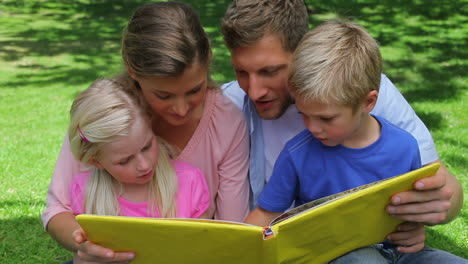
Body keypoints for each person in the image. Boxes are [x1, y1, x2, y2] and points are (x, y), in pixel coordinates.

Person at [221, 0, 463, 253]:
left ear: (301, 53)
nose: (254, 91)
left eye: (270, 71)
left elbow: (446, 189)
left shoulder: (357, 86)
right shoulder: (228, 107)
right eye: (241, 72)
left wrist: (431, 209)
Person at [43, 2, 250, 263]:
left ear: (208, 60)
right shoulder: (107, 111)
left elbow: (232, 229)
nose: (181, 109)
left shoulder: (226, 121)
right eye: (162, 95)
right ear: (133, 72)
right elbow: (57, 208)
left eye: (195, 90)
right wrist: (84, 245)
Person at [67, 78, 210, 262]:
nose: (144, 165)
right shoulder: (84, 191)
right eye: (125, 160)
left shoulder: (189, 181)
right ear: (97, 162)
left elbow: (204, 246)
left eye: (147, 146)